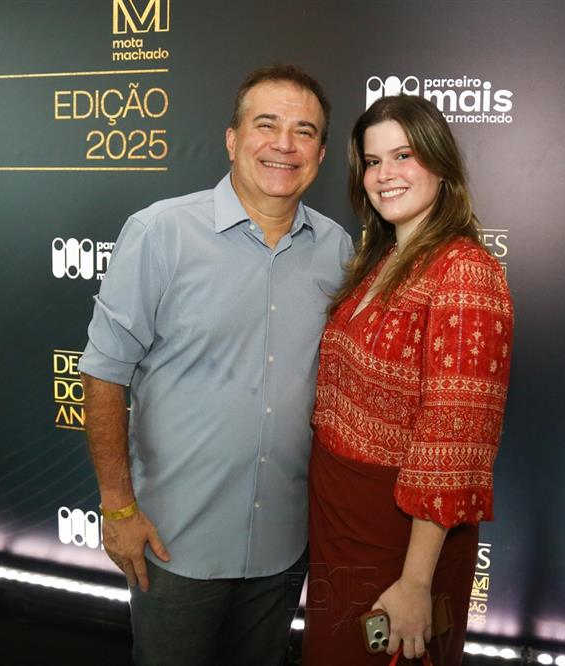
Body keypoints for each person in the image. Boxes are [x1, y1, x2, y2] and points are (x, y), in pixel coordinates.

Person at [78, 64, 352, 666]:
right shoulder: (160, 232)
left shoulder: (337, 249)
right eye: (266, 124)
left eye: (304, 131)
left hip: (283, 547)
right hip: (175, 544)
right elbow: (103, 374)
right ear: (232, 139)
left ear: (321, 153)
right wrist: (117, 507)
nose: (284, 144)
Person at [302, 95, 513, 666]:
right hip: (341, 524)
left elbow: (455, 437)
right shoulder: (380, 257)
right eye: (373, 162)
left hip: (400, 539)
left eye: (403, 155)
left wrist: (417, 582)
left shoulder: (465, 270)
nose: (385, 174)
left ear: (441, 165)